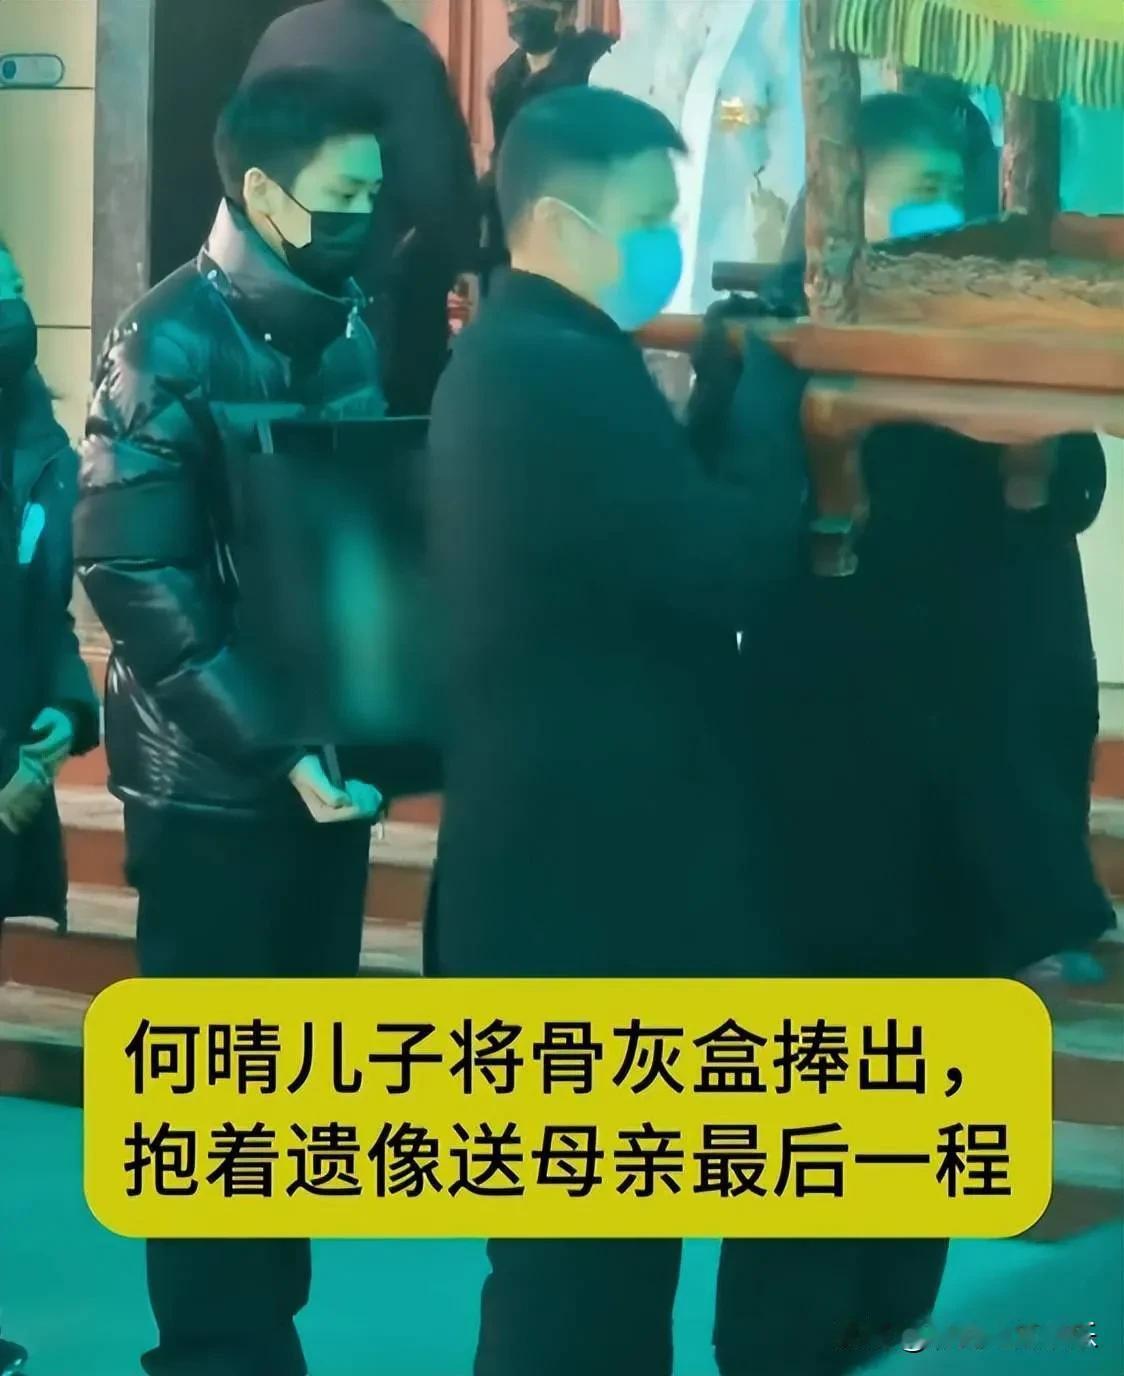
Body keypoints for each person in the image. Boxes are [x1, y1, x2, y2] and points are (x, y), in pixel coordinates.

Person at [427, 84, 813, 1376]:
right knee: (576, 1279)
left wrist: (714, 399)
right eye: (648, 219)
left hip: (560, 883)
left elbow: (631, 530)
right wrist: (766, 410)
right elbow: (718, 559)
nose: (666, 246)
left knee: (598, 1261)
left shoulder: (535, 354)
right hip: (577, 905)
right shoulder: (548, 373)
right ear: (557, 220)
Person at [75, 70, 387, 1376]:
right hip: (210, 779)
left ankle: (265, 1333)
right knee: (214, 1085)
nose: (367, 214)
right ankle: (212, 1351)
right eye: (345, 193)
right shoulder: (165, 342)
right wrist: (277, 745)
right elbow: (134, 572)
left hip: (325, 763)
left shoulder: (346, 322)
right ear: (263, 192)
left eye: (373, 191)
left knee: (297, 1079)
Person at [0, 241, 100, 1376]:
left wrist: (64, 717)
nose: (11, 312)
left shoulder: (38, 446)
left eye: (16, 292)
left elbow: (49, 624)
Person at [244, 0, 479, 415]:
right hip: (370, 300)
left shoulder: (279, 35)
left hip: (267, 287)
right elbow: (438, 191)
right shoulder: (403, 49)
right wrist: (463, 261)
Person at [481, 0, 615, 283]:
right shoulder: (506, 82)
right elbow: (503, 162)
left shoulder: (598, 69)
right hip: (513, 245)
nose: (520, 8)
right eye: (514, 2)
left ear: (569, 13)